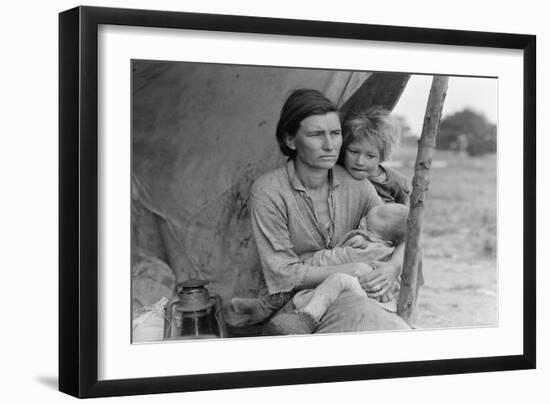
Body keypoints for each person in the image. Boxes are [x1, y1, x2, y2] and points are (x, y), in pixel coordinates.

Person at [238, 89, 409, 335]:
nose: (330, 145)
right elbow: (284, 274)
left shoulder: (358, 185)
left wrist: (393, 266)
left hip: (358, 293)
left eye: (336, 133)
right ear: (290, 140)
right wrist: (350, 269)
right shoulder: (268, 191)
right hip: (302, 301)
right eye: (317, 134)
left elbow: (402, 232)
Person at [340, 107, 410, 205]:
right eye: (354, 152)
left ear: (382, 157)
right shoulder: (338, 174)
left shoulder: (396, 182)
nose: (359, 162)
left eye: (370, 156)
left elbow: (404, 213)